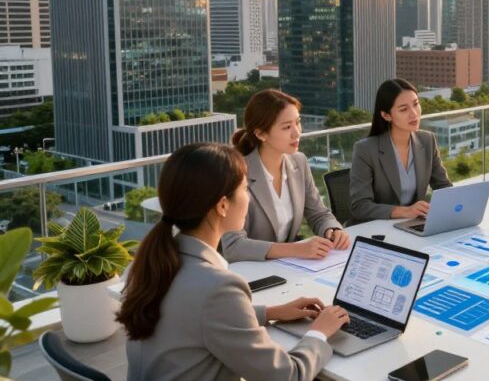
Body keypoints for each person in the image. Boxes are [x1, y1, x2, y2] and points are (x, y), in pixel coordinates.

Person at [118, 143, 350, 381]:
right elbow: (287, 376)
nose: (248, 197)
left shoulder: (155, 263)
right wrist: (319, 333)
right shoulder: (218, 287)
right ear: (222, 205)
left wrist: (271, 312)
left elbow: (192, 316)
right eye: (245, 189)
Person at [221, 90, 348, 262]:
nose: (297, 133)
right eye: (287, 127)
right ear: (261, 134)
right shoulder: (236, 173)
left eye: (298, 123)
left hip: (289, 269)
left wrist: (332, 230)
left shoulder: (299, 162)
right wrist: (295, 249)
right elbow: (233, 246)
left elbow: (318, 214)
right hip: (252, 273)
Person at [349, 79, 453, 223]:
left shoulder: (427, 140)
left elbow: (443, 187)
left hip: (414, 224)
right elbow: (360, 206)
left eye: (416, 104)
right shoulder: (365, 150)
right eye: (403, 109)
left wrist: (459, 206)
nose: (414, 114)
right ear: (386, 115)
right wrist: (405, 211)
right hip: (378, 228)